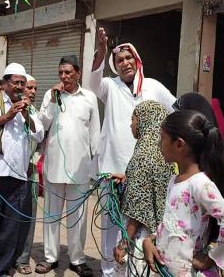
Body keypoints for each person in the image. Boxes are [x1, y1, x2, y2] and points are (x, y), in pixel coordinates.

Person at [90, 28, 176, 277]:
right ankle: (109, 270)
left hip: (144, 168)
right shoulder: (110, 86)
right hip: (112, 167)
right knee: (110, 222)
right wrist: (102, 52)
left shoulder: (153, 87)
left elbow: (176, 110)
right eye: (119, 60)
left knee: (138, 221)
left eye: (129, 58)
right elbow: (93, 82)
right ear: (114, 65)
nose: (125, 62)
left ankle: (134, 268)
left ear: (137, 60)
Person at [143, 110, 224, 276]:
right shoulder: (175, 180)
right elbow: (172, 223)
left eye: (162, 138)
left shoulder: (200, 184)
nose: (158, 144)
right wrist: (150, 240)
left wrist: (210, 258)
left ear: (179, 144)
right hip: (165, 270)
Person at [0, 63, 44, 277]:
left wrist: (25, 115)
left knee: (9, 230)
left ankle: (1, 271)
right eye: (15, 83)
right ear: (4, 83)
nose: (19, 87)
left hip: (18, 177)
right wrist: (8, 116)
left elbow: (39, 135)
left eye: (23, 83)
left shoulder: (27, 106)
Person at [35, 55, 100, 276]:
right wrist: (53, 100)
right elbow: (42, 126)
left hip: (80, 169)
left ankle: (77, 258)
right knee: (52, 216)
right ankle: (50, 257)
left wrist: (96, 166)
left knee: (78, 218)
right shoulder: (50, 95)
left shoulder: (89, 97)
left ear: (78, 73)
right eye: (60, 73)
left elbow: (95, 134)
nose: (63, 77)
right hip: (54, 168)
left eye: (68, 72)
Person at [113, 101, 174, 276]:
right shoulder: (163, 151)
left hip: (139, 236)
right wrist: (128, 179)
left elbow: (139, 208)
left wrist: (123, 245)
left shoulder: (143, 155)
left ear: (145, 121)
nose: (131, 124)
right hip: (158, 232)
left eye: (133, 119)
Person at [14, 74, 40, 275]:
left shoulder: (35, 112)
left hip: (30, 173)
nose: (32, 92)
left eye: (34, 89)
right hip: (9, 173)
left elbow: (39, 137)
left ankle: (23, 258)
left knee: (28, 218)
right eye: (28, 88)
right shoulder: (8, 109)